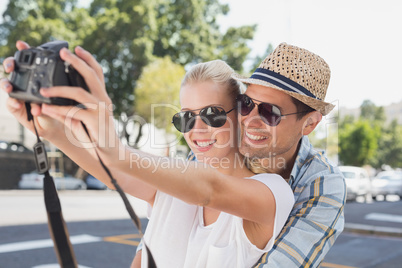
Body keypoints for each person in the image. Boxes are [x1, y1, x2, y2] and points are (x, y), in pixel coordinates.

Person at [1, 41, 346, 267]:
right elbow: (111, 171)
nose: (196, 129)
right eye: (185, 118)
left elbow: (210, 189)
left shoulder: (275, 191)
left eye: (212, 114)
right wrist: (49, 128)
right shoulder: (174, 181)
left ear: (309, 123)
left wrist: (114, 144)